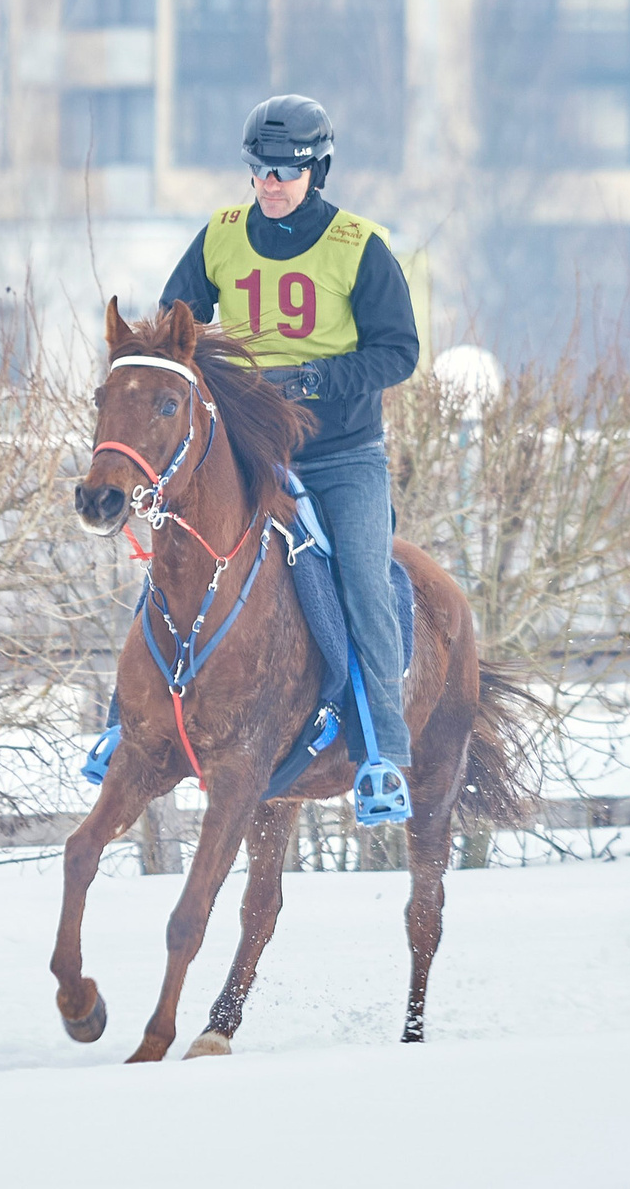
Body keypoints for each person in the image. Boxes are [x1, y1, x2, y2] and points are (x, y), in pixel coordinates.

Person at [157, 94, 421, 825]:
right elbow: (174, 317)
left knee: (364, 582)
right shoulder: (222, 234)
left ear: (318, 169)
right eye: (259, 170)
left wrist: (314, 377)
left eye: (286, 170)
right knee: (176, 549)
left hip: (341, 454)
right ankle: (129, 721)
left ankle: (383, 759)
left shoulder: (358, 244)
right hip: (249, 449)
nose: (270, 183)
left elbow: (400, 350)